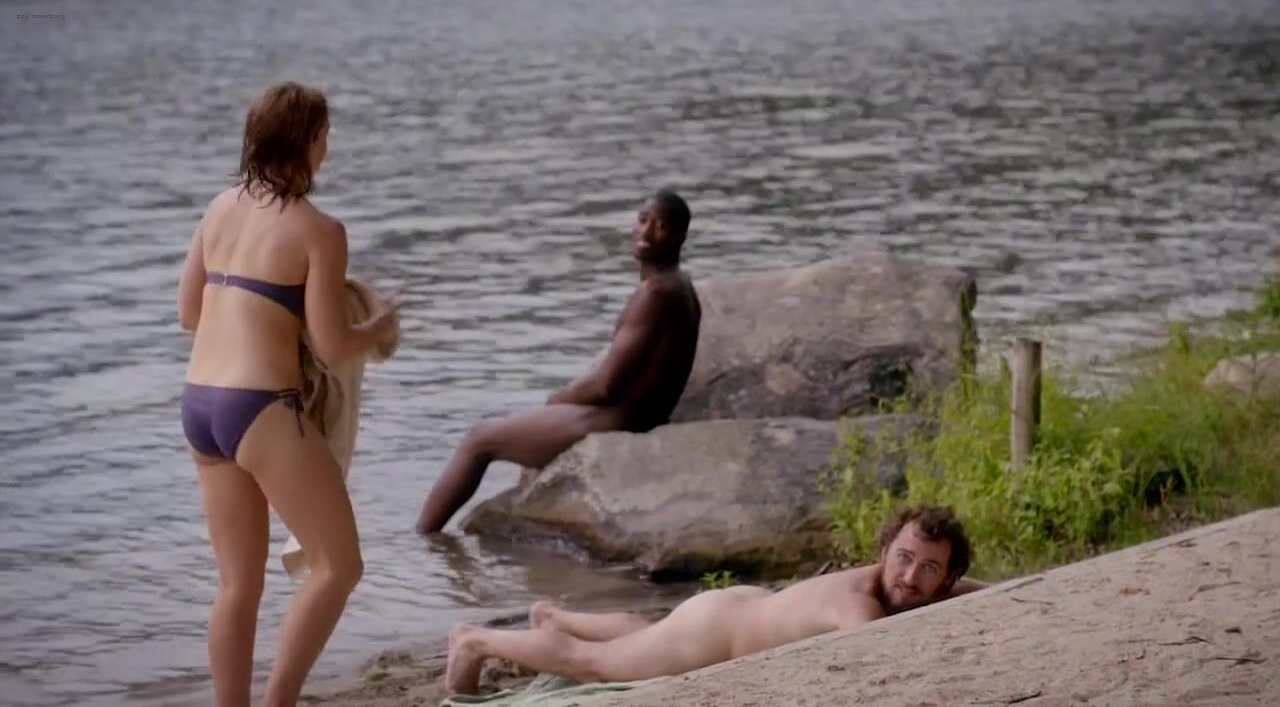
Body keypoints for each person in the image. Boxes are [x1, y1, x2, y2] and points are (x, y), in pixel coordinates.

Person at [176, 81, 400, 707]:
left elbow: (189, 314)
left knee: (236, 586)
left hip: (200, 406)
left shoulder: (218, 208)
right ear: (308, 141)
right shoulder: (319, 231)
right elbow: (332, 346)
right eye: (325, 136)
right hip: (260, 407)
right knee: (338, 567)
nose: (327, 147)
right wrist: (377, 328)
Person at [443, 505, 988, 694]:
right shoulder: (859, 606)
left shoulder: (910, 588)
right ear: (884, 551)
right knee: (595, 664)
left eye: (928, 569)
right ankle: (475, 641)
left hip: (741, 611)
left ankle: (554, 615)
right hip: (715, 635)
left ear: (947, 578)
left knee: (646, 634)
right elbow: (883, 658)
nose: (910, 577)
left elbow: (979, 593)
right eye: (903, 558)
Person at [416, 189, 702, 533]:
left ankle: (423, 539)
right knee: (514, 431)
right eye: (643, 220)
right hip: (638, 415)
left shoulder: (655, 294)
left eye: (661, 226)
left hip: (621, 421)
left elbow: (606, 387)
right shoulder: (679, 286)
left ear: (680, 236)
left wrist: (560, 398)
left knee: (479, 440)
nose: (647, 231)